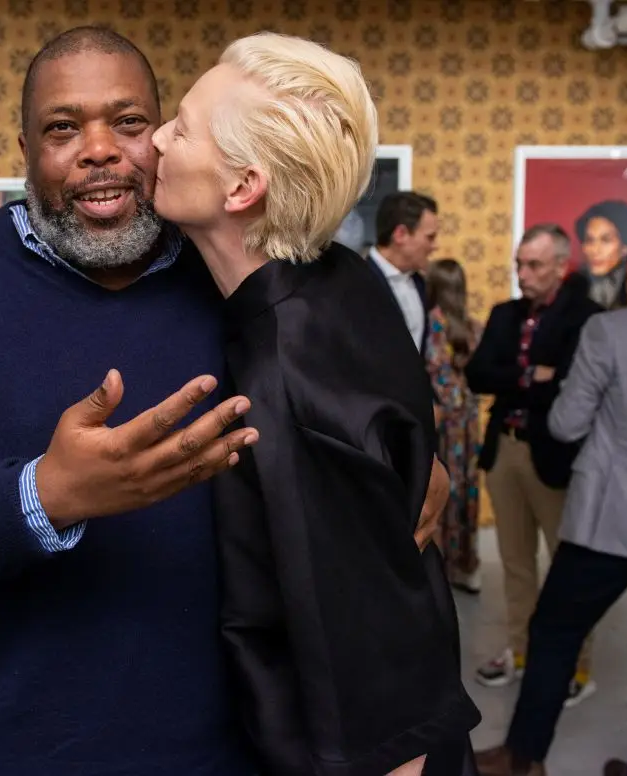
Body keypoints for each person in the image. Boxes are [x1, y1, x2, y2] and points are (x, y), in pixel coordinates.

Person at [0, 26, 450, 776]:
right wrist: (42, 498)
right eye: (62, 128)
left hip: (233, 750)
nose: (99, 150)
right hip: (4, 752)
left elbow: (360, 419)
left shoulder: (251, 282)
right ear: (23, 148)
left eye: (130, 122)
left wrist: (407, 463)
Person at [152, 32, 479, 776]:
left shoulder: (282, 385)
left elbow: (358, 661)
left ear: (242, 189)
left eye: (182, 126)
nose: (158, 139)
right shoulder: (341, 277)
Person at [474, 236, 627, 776]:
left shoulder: (608, 328)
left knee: (552, 632)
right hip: (524, 460)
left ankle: (523, 758)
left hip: (612, 517)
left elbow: (566, 422)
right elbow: (482, 373)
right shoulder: (512, 314)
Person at [466, 225, 602, 703]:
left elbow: (572, 384)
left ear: (561, 265)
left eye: (534, 265)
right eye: (520, 264)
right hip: (504, 451)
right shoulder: (505, 314)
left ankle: (574, 665)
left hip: (558, 458)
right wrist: (529, 375)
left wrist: (530, 380)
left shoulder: (588, 318)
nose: (523, 274)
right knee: (516, 565)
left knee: (569, 570)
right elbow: (477, 374)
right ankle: (520, 653)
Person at [425, 258, 483, 593]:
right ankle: (467, 564)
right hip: (468, 421)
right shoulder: (473, 327)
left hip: (441, 419)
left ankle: (442, 566)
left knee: (441, 487)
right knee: (466, 489)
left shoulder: (432, 325)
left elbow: (434, 373)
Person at [366, 192, 439, 356]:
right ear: (400, 234)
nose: (435, 246)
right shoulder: (356, 281)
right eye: (430, 237)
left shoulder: (421, 283)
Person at [574, 199, 627, 310]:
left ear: (625, 247)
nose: (595, 250)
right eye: (589, 240)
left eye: (606, 240)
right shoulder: (574, 288)